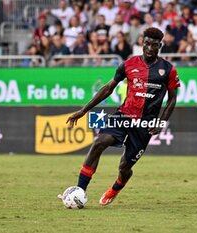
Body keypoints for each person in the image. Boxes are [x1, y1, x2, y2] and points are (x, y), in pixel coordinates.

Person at [60, 27, 180, 206]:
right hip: (123, 116)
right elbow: (108, 88)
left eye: (154, 45)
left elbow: (172, 100)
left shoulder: (168, 70)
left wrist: (161, 122)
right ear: (142, 42)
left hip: (145, 125)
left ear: (159, 46)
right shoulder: (128, 64)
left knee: (125, 167)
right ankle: (79, 191)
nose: (149, 48)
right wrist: (84, 110)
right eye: (146, 43)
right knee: (100, 142)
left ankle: (116, 187)